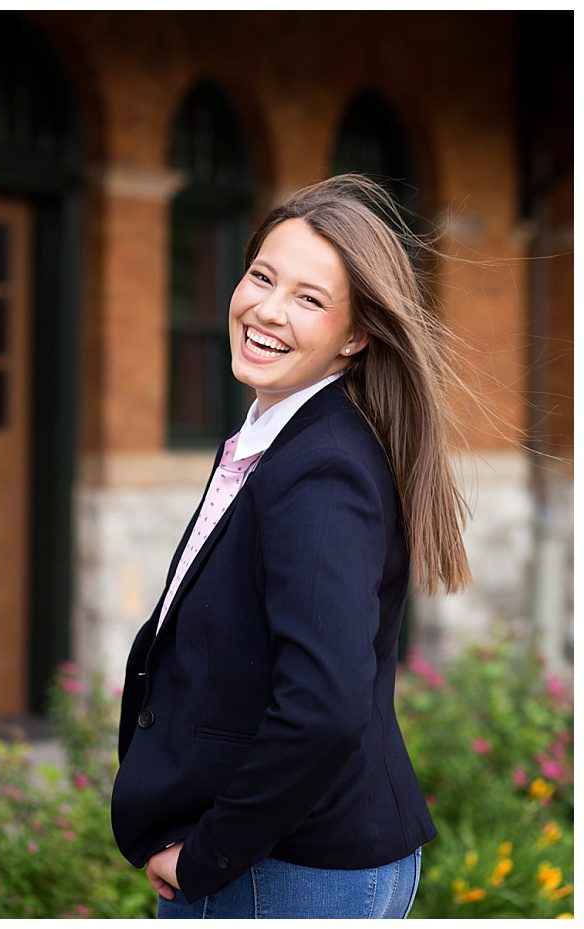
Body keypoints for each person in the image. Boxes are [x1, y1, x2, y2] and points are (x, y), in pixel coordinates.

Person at [110, 175, 469, 918]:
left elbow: (324, 706)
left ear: (356, 333)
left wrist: (209, 853)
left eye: (309, 298)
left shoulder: (321, 468)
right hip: (286, 860)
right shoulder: (278, 435)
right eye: (262, 276)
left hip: (283, 869)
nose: (267, 309)